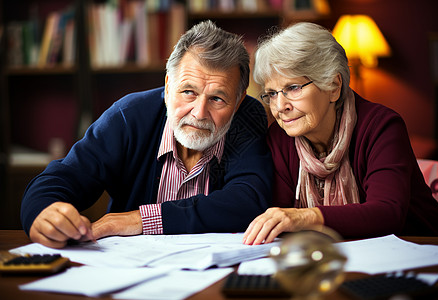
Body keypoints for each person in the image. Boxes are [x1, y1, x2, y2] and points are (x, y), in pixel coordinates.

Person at [21, 20, 272, 249]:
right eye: (188, 92)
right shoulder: (129, 115)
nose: (199, 113)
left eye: (217, 98)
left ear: (238, 102)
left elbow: (247, 200)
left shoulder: (246, 117)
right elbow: (61, 179)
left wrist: (140, 219)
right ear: (167, 86)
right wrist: (42, 213)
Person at [243, 22, 438, 245]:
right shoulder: (280, 136)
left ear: (333, 86)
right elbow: (280, 216)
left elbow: (388, 213)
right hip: (339, 256)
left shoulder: (382, 126)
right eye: (272, 93)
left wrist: (306, 216)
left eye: (293, 88)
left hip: (423, 253)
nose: (280, 106)